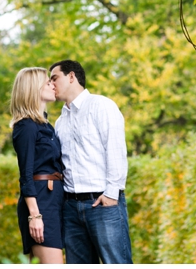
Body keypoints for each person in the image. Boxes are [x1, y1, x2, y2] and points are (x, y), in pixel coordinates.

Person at [49, 60, 132, 264]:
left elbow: (116, 150)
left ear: (71, 76)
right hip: (71, 209)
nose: (51, 84)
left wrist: (111, 195)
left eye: (54, 78)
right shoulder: (60, 121)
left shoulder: (101, 105)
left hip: (102, 204)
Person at [10, 67, 64, 264]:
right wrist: (35, 215)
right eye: (47, 82)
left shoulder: (45, 125)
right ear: (33, 88)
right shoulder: (26, 126)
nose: (52, 85)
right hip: (41, 202)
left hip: (54, 199)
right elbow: (26, 173)